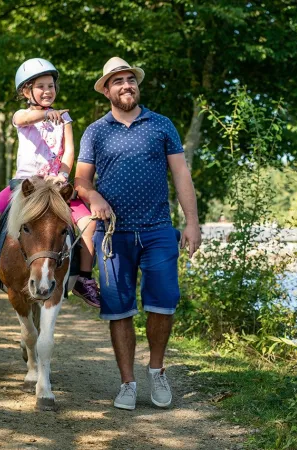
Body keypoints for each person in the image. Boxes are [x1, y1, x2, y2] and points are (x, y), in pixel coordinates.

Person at [74, 56, 202, 410]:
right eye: (118, 81)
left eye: (131, 79)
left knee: (163, 304)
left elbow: (181, 176)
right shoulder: (95, 132)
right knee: (119, 309)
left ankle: (157, 371)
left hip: (159, 231)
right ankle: (127, 383)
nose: (127, 85)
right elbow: (80, 181)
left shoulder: (161, 125)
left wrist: (191, 222)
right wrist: (93, 194)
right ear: (107, 90)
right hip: (114, 236)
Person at [0, 58, 101, 307]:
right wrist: (47, 114)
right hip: (24, 184)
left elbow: (69, 151)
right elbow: (26, 119)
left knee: (89, 224)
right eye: (41, 87)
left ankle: (84, 279)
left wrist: (63, 173)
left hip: (55, 187)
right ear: (26, 91)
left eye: (51, 86)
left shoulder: (65, 118)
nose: (48, 91)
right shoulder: (21, 115)